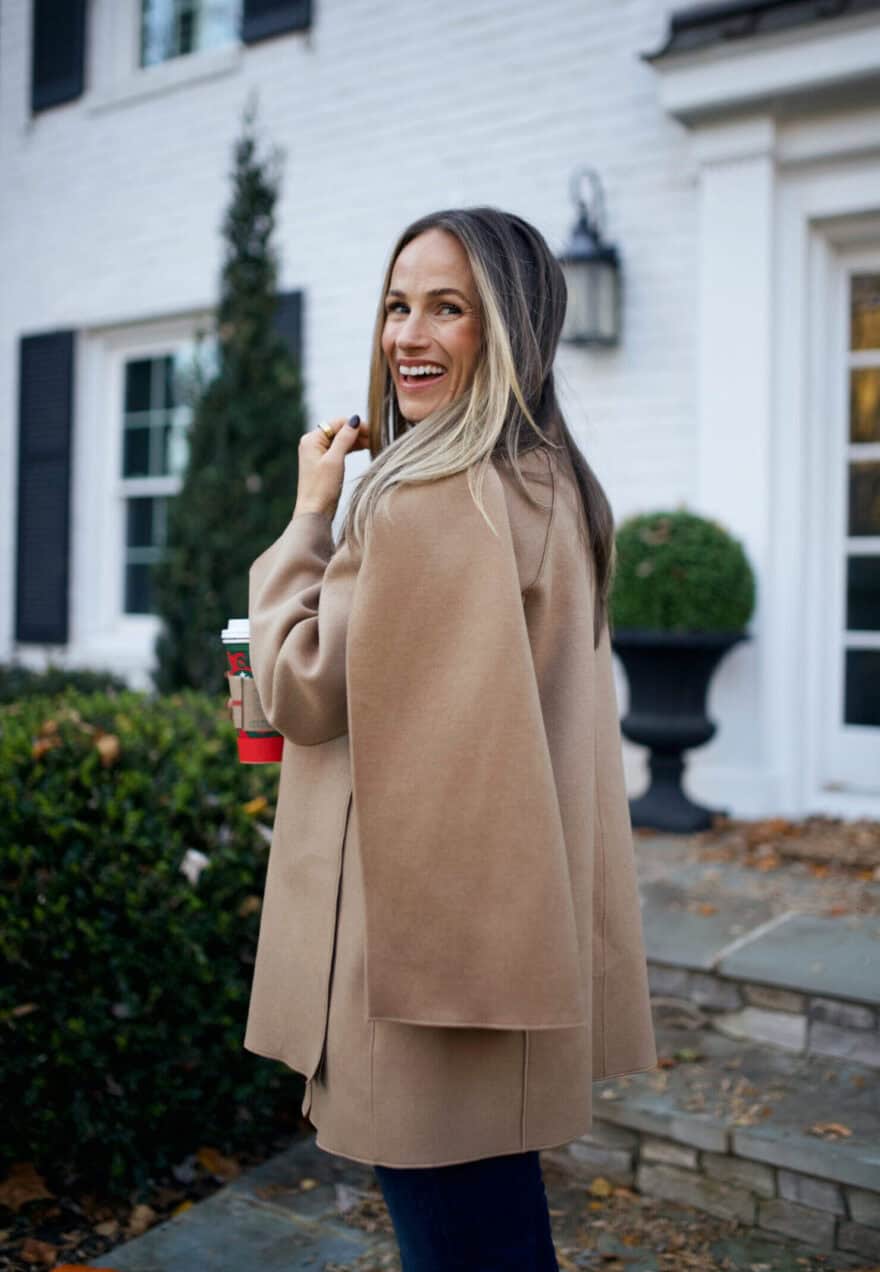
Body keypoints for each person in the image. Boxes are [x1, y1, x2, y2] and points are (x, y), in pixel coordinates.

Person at [244, 208, 658, 1271]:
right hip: (502, 929)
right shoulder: (550, 482)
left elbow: (301, 691)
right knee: (494, 1227)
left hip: (414, 951)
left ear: (507, 328)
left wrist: (307, 519)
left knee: (459, 1238)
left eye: (447, 309)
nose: (407, 336)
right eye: (396, 305)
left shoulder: (425, 497)